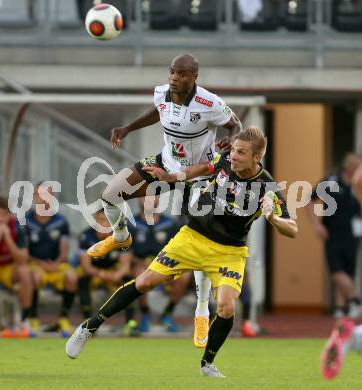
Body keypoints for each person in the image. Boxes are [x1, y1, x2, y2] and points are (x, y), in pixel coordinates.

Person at [66, 127, 298, 377]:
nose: (234, 156)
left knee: (227, 307)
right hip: (192, 238)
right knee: (144, 282)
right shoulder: (222, 161)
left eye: (241, 153)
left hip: (229, 251)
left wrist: (274, 219)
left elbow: (293, 229)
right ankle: (89, 327)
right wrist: (170, 177)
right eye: (234, 150)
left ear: (257, 158)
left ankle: (207, 363)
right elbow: (196, 170)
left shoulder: (267, 188)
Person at [86, 53, 241, 344]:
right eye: (172, 71)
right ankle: (121, 237)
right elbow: (158, 112)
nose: (175, 77)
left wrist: (231, 139)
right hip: (164, 165)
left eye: (182, 73)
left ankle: (201, 311)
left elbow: (236, 124)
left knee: (201, 240)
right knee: (110, 194)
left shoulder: (208, 102)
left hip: (199, 175)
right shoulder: (162, 93)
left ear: (194, 76)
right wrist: (128, 128)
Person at [306, 153, 362, 318]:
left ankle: (341, 308)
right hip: (333, 233)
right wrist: (316, 225)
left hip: (353, 234)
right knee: (336, 270)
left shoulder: (357, 186)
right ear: (350, 166)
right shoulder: (331, 182)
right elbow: (309, 199)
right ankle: (355, 300)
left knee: (348, 271)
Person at [128, 196, 191, 333]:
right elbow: (125, 255)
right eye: (143, 196)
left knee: (185, 276)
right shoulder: (131, 224)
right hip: (142, 266)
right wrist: (140, 261)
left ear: (158, 199)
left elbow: (180, 251)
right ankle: (145, 314)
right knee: (139, 273)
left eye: (152, 196)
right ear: (138, 200)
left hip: (166, 267)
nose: (148, 200)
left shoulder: (170, 223)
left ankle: (167, 313)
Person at [25, 183, 78, 336]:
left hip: (56, 265)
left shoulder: (61, 221)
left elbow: (64, 251)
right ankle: (33, 318)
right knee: (33, 276)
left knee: (72, 277)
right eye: (40, 195)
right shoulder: (25, 221)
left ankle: (63, 319)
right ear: (35, 197)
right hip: (35, 265)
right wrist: (41, 264)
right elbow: (24, 252)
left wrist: (56, 263)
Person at [78, 209, 138, 336]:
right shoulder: (86, 236)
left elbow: (126, 266)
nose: (104, 224)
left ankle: (130, 323)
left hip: (114, 272)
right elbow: (86, 266)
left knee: (130, 281)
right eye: (100, 220)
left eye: (107, 220)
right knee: (81, 279)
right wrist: (103, 275)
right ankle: (87, 322)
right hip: (95, 273)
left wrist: (117, 275)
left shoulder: (122, 236)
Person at [0, 196, 32, 334]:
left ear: (9, 215)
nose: (1, 219)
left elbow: (23, 259)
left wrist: (8, 239)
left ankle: (24, 320)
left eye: (5, 215)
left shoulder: (18, 226)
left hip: (9, 269)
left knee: (25, 272)